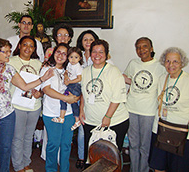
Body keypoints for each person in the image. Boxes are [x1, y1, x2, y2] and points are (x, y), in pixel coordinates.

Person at [0, 38, 53, 172]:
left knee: (5, 149)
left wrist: (42, 79)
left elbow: (25, 86)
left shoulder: (9, 69)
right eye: (5, 52)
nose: (9, 54)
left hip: (7, 116)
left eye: (9, 51)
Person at [79, 39, 129, 167]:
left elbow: (117, 97)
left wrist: (108, 117)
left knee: (111, 160)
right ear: (90, 54)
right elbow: (84, 93)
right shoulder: (85, 71)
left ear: (107, 55)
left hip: (114, 122)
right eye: (94, 51)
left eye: (101, 52)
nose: (97, 55)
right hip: (91, 121)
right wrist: (81, 110)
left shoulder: (113, 71)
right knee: (91, 157)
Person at [123, 37, 165, 172]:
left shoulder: (160, 66)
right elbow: (125, 77)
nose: (141, 50)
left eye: (144, 46)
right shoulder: (133, 63)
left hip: (149, 111)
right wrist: (132, 83)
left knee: (145, 146)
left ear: (151, 48)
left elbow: (164, 85)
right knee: (133, 145)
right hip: (131, 108)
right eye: (138, 47)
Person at [149, 47, 189, 172]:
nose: (171, 65)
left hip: (181, 134)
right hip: (160, 130)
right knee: (158, 167)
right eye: (167, 61)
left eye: (175, 61)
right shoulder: (162, 79)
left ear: (182, 63)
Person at [40, 43, 79, 172]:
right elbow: (46, 89)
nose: (60, 55)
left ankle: (64, 169)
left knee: (66, 145)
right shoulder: (47, 69)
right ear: (53, 53)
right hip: (51, 113)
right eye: (58, 52)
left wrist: (76, 97)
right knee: (53, 144)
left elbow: (79, 87)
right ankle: (50, 170)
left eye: (64, 53)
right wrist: (65, 98)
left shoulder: (71, 70)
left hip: (68, 113)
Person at [8, 36, 43, 172]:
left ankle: (26, 162)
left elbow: (43, 85)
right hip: (17, 106)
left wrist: (40, 94)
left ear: (34, 49)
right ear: (19, 46)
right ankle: (18, 166)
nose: (28, 48)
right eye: (25, 45)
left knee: (29, 136)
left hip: (34, 106)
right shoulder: (11, 61)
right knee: (18, 137)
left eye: (31, 46)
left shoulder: (38, 64)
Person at [52, 47, 83, 131]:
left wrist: (70, 82)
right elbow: (66, 72)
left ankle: (61, 117)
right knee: (73, 104)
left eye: (76, 57)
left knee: (63, 98)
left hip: (75, 86)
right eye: (71, 57)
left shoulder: (78, 67)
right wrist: (66, 76)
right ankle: (77, 121)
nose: (73, 60)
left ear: (80, 58)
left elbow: (79, 78)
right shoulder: (69, 64)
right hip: (71, 85)